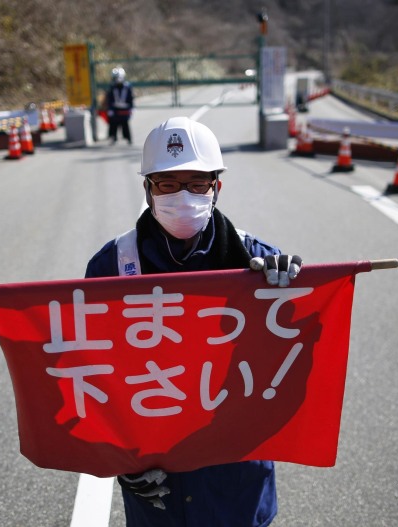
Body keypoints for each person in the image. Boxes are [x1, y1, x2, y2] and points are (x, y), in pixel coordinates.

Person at [85, 117, 302, 526]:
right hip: (157, 481)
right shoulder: (111, 267)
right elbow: (94, 376)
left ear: (217, 188)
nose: (183, 196)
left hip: (235, 476)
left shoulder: (258, 261)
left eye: (197, 183)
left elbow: (293, 361)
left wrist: (290, 296)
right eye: (167, 184)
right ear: (147, 189)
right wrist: (119, 458)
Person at [105, 66, 134, 144]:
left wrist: (131, 108)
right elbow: (110, 98)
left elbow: (130, 98)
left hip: (125, 108)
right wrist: (110, 108)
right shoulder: (112, 87)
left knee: (125, 124)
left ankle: (128, 138)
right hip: (115, 108)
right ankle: (113, 137)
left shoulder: (127, 87)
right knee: (113, 123)